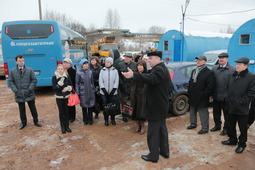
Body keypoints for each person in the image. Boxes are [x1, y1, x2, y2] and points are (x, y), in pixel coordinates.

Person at [122, 51, 172, 163]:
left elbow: (150, 79)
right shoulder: (162, 68)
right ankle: (164, 151)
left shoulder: (159, 69)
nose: (148, 61)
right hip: (161, 105)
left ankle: (153, 156)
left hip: (156, 107)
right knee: (162, 129)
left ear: (158, 59)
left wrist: (134, 75)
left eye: (150, 59)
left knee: (153, 133)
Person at [222, 57, 255, 154]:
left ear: (245, 66)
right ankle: (232, 140)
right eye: (236, 64)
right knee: (230, 125)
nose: (237, 66)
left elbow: (251, 94)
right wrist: (226, 98)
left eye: (239, 64)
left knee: (243, 128)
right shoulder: (233, 75)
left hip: (242, 108)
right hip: (230, 106)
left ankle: (241, 144)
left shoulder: (251, 77)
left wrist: (239, 101)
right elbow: (228, 88)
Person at [9, 55, 42, 130]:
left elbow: (34, 80)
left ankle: (36, 121)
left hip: (29, 93)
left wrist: (29, 89)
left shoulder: (30, 70)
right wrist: (16, 90)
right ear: (16, 62)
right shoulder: (12, 71)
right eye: (20, 61)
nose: (21, 62)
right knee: (22, 109)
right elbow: (11, 82)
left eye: (23, 61)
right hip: (19, 93)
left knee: (33, 108)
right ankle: (23, 123)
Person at [187, 55, 214, 134]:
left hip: (202, 96)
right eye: (197, 60)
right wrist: (189, 90)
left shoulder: (209, 72)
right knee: (192, 111)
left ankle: (205, 128)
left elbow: (210, 86)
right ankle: (193, 124)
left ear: (205, 61)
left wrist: (203, 94)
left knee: (203, 113)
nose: (198, 61)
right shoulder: (194, 70)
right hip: (193, 95)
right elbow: (191, 81)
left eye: (200, 60)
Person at [210, 53, 235, 136]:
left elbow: (234, 84)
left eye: (223, 58)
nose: (221, 59)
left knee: (226, 114)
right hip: (216, 95)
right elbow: (211, 82)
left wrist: (229, 95)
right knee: (216, 113)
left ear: (227, 59)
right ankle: (217, 126)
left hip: (226, 97)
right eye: (220, 58)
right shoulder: (214, 69)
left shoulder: (232, 70)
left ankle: (226, 129)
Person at [52, 64, 73, 134]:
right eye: (59, 69)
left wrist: (67, 88)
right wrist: (59, 84)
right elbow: (54, 88)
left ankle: (67, 126)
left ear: (63, 70)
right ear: (56, 70)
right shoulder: (54, 77)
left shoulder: (67, 76)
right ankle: (62, 127)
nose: (60, 70)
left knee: (67, 112)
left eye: (61, 69)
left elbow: (71, 85)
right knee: (61, 113)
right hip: (59, 98)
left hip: (67, 97)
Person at [99, 57, 119, 126]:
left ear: (111, 63)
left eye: (108, 62)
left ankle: (113, 119)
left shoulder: (115, 71)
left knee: (113, 106)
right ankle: (106, 119)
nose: (107, 63)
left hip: (113, 93)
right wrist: (104, 90)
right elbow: (100, 81)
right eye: (106, 62)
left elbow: (116, 81)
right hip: (104, 93)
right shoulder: (102, 70)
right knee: (105, 107)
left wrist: (113, 90)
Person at [117, 53, 137, 122]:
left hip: (132, 86)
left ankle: (132, 114)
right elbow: (118, 75)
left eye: (127, 57)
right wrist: (121, 84)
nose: (126, 58)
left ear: (131, 58)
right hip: (123, 86)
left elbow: (136, 75)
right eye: (125, 57)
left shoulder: (134, 65)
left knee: (132, 101)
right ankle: (125, 116)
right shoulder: (120, 65)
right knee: (124, 102)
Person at [76, 59, 95, 125]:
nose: (86, 65)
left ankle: (90, 119)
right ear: (81, 65)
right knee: (84, 106)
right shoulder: (78, 73)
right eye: (84, 64)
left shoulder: (90, 72)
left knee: (90, 106)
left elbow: (92, 82)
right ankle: (85, 120)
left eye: (87, 64)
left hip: (90, 91)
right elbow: (77, 83)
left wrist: (93, 89)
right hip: (83, 92)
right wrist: (78, 93)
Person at [130, 60, 147, 135]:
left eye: (141, 65)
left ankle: (142, 126)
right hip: (135, 94)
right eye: (138, 65)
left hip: (142, 95)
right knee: (135, 109)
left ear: (144, 67)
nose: (139, 67)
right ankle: (137, 126)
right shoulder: (135, 74)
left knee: (141, 110)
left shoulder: (146, 74)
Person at [63, 58, 76, 123]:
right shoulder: (62, 71)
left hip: (71, 90)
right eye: (64, 62)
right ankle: (67, 116)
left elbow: (74, 81)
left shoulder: (73, 71)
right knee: (66, 104)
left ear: (70, 64)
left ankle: (72, 117)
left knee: (72, 104)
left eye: (67, 63)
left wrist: (73, 89)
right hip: (64, 90)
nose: (65, 64)